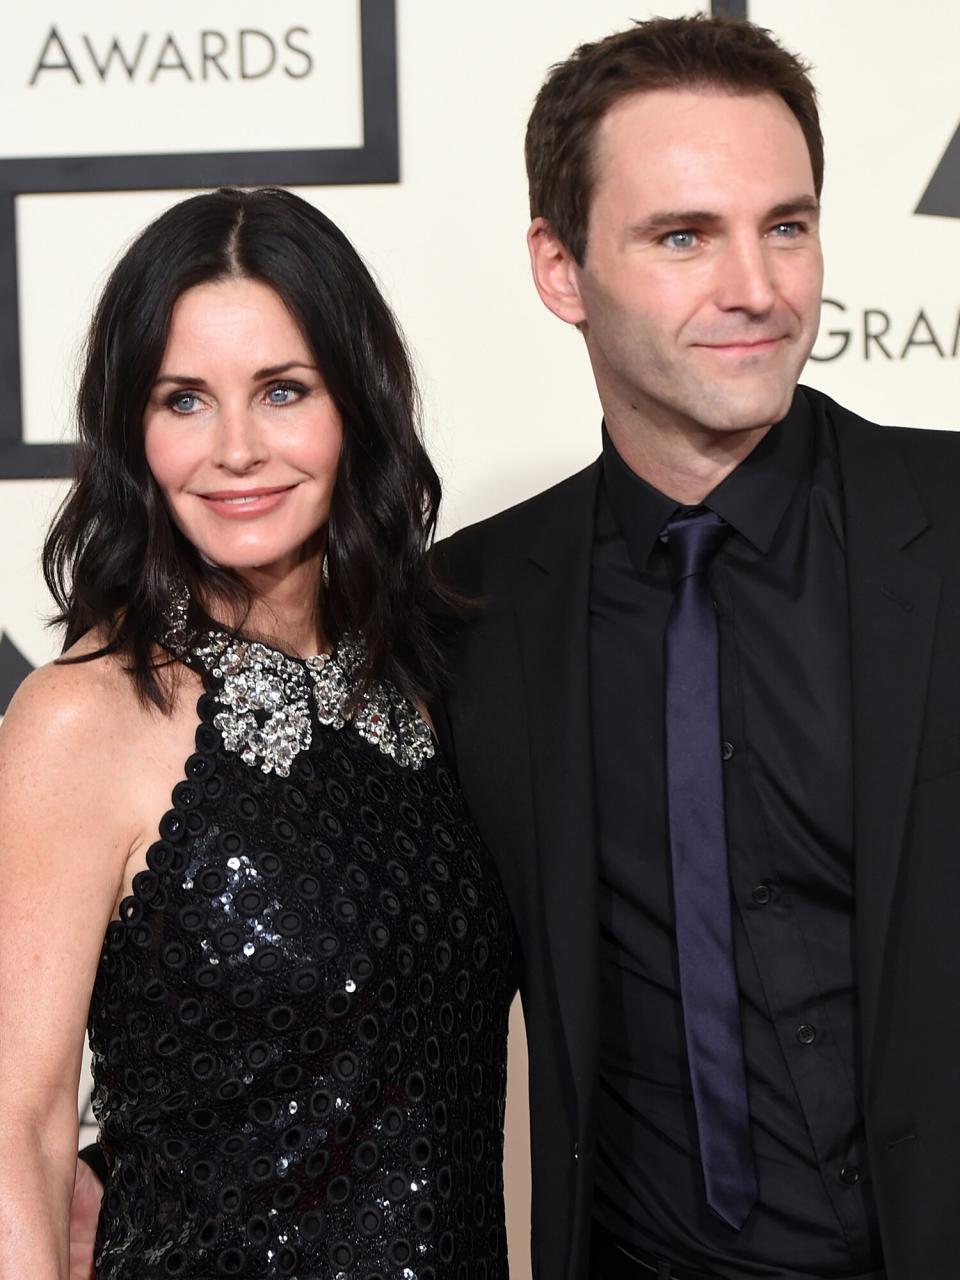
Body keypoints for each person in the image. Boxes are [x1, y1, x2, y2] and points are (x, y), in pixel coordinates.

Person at [434, 14, 960, 1280]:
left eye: (787, 224)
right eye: (685, 236)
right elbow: (365, 952)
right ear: (561, 271)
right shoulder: (468, 611)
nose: (760, 289)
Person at [0, 187, 515, 1280]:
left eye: (283, 390)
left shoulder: (428, 681)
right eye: (183, 399)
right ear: (133, 432)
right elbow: (18, 1129)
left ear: (355, 407)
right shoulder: (83, 717)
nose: (236, 448)